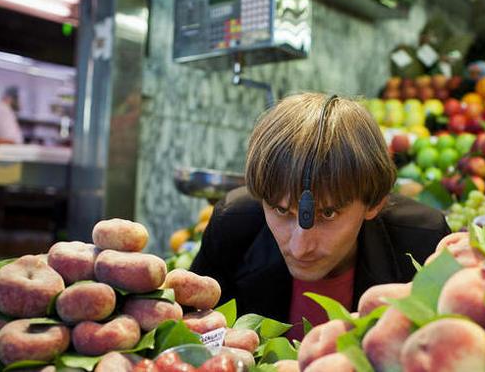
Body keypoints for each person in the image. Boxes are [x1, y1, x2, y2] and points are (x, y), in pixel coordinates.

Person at [191, 93, 450, 340]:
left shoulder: (424, 245)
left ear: (374, 202)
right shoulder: (233, 226)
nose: (300, 247)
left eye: (328, 213)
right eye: (281, 211)